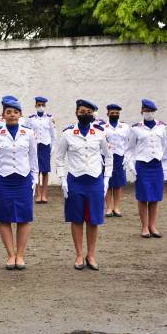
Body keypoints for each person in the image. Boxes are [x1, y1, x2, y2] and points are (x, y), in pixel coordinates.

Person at [56, 99, 112, 271]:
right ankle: (79, 255)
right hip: (75, 180)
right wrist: (63, 179)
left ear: (93, 114)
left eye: (88, 111)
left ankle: (91, 255)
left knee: (93, 220)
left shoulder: (100, 133)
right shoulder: (67, 133)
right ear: (76, 112)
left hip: (95, 180)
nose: (85, 114)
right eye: (82, 111)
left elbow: (108, 157)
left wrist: (106, 180)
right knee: (77, 219)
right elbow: (59, 158)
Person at [0, 100, 38, 270]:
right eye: (8, 112)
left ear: (20, 115)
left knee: (24, 218)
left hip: (23, 180)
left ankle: (20, 255)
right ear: (3, 115)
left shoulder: (28, 133)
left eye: (15, 112)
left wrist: (34, 179)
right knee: (5, 218)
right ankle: (10, 255)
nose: (12, 115)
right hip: (3, 180)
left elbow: (33, 158)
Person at [125, 99, 166, 238]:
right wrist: (132, 167)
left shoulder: (162, 127)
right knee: (143, 197)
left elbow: (165, 147)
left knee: (155, 197)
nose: (148, 113)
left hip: (157, 165)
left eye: (151, 111)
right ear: (141, 111)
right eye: (146, 111)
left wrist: (166, 167)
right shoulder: (135, 128)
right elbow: (129, 150)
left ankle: (152, 225)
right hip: (142, 165)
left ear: (155, 112)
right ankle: (144, 227)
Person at [27, 97, 56, 204]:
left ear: (45, 106)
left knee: (45, 171)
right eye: (39, 105)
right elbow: (28, 133)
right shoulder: (31, 118)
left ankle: (44, 194)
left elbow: (53, 135)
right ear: (35, 106)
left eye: (43, 105)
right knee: (36, 170)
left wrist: (52, 149)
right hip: (35, 146)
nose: (41, 107)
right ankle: (38, 194)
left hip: (45, 146)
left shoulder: (49, 118)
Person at [104, 104, 130, 217]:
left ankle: (117, 207)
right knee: (108, 182)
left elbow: (129, 142)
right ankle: (109, 207)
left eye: (116, 113)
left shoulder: (125, 127)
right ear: (108, 114)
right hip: (107, 157)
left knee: (118, 183)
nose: (114, 115)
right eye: (112, 113)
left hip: (120, 157)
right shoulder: (103, 126)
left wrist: (127, 157)